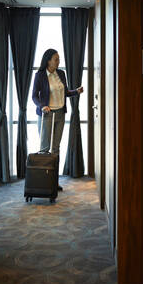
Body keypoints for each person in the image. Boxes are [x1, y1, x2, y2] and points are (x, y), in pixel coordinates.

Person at [32, 49, 84, 190]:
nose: (58, 61)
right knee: (44, 148)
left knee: (55, 149)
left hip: (60, 114)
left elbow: (65, 92)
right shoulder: (40, 75)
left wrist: (76, 92)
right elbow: (34, 96)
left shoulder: (61, 73)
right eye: (56, 59)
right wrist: (42, 106)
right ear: (48, 60)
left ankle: (53, 182)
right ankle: (43, 182)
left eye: (58, 59)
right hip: (46, 114)